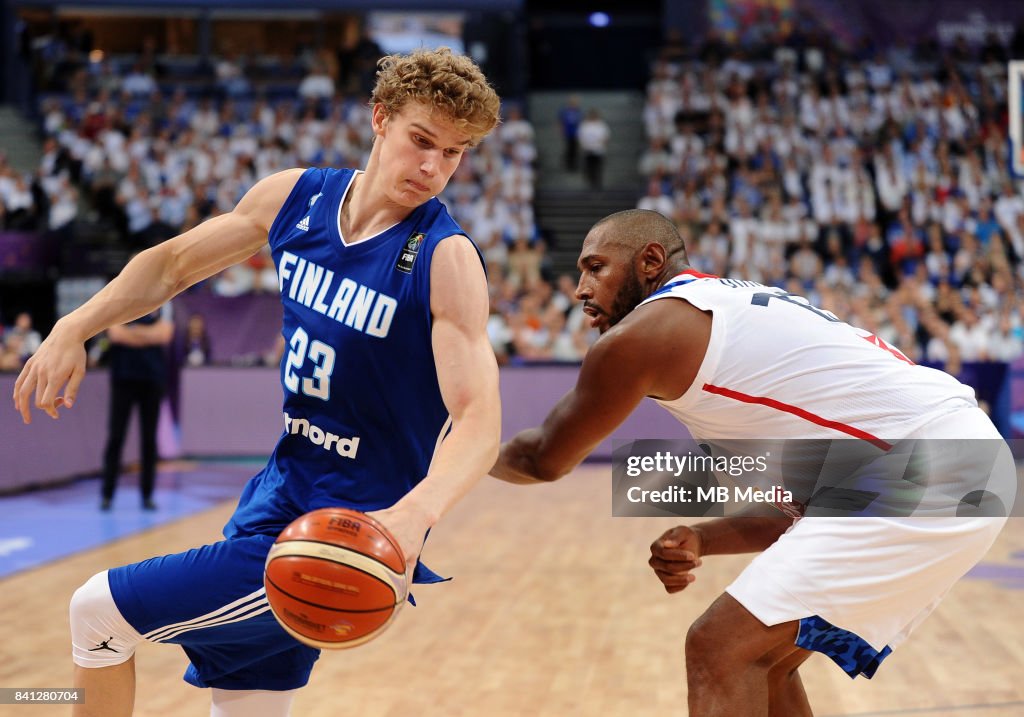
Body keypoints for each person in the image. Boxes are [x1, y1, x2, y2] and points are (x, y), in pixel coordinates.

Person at [13, 47, 502, 717]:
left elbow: (479, 419)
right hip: (277, 493)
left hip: (341, 529)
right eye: (422, 140)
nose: (432, 167)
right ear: (380, 119)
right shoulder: (296, 199)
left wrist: (413, 518)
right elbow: (172, 266)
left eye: (454, 153)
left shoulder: (444, 259)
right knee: (246, 704)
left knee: (96, 611)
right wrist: (76, 324)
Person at [490, 209, 1012, 716]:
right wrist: (703, 537)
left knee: (719, 647)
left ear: (651, 261)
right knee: (765, 663)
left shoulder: (648, 335)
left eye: (595, 267)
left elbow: (543, 459)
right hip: (958, 459)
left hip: (929, 460)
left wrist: (444, 449)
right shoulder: (726, 316)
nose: (580, 289)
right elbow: (802, 509)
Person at [100, 302, 174, 511]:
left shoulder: (164, 300)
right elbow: (115, 334)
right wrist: (147, 334)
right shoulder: (121, 296)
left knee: (149, 440)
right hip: (123, 378)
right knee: (116, 437)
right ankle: (107, 494)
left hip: (152, 379)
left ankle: (147, 495)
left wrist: (132, 332)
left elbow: (164, 335)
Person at [578, 108, 610, 190]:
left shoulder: (601, 125)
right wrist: (585, 145)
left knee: (598, 168)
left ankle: (598, 184)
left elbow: (605, 137)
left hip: (598, 151)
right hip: (588, 150)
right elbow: (581, 137)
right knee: (589, 169)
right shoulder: (585, 125)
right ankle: (590, 184)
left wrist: (600, 144)